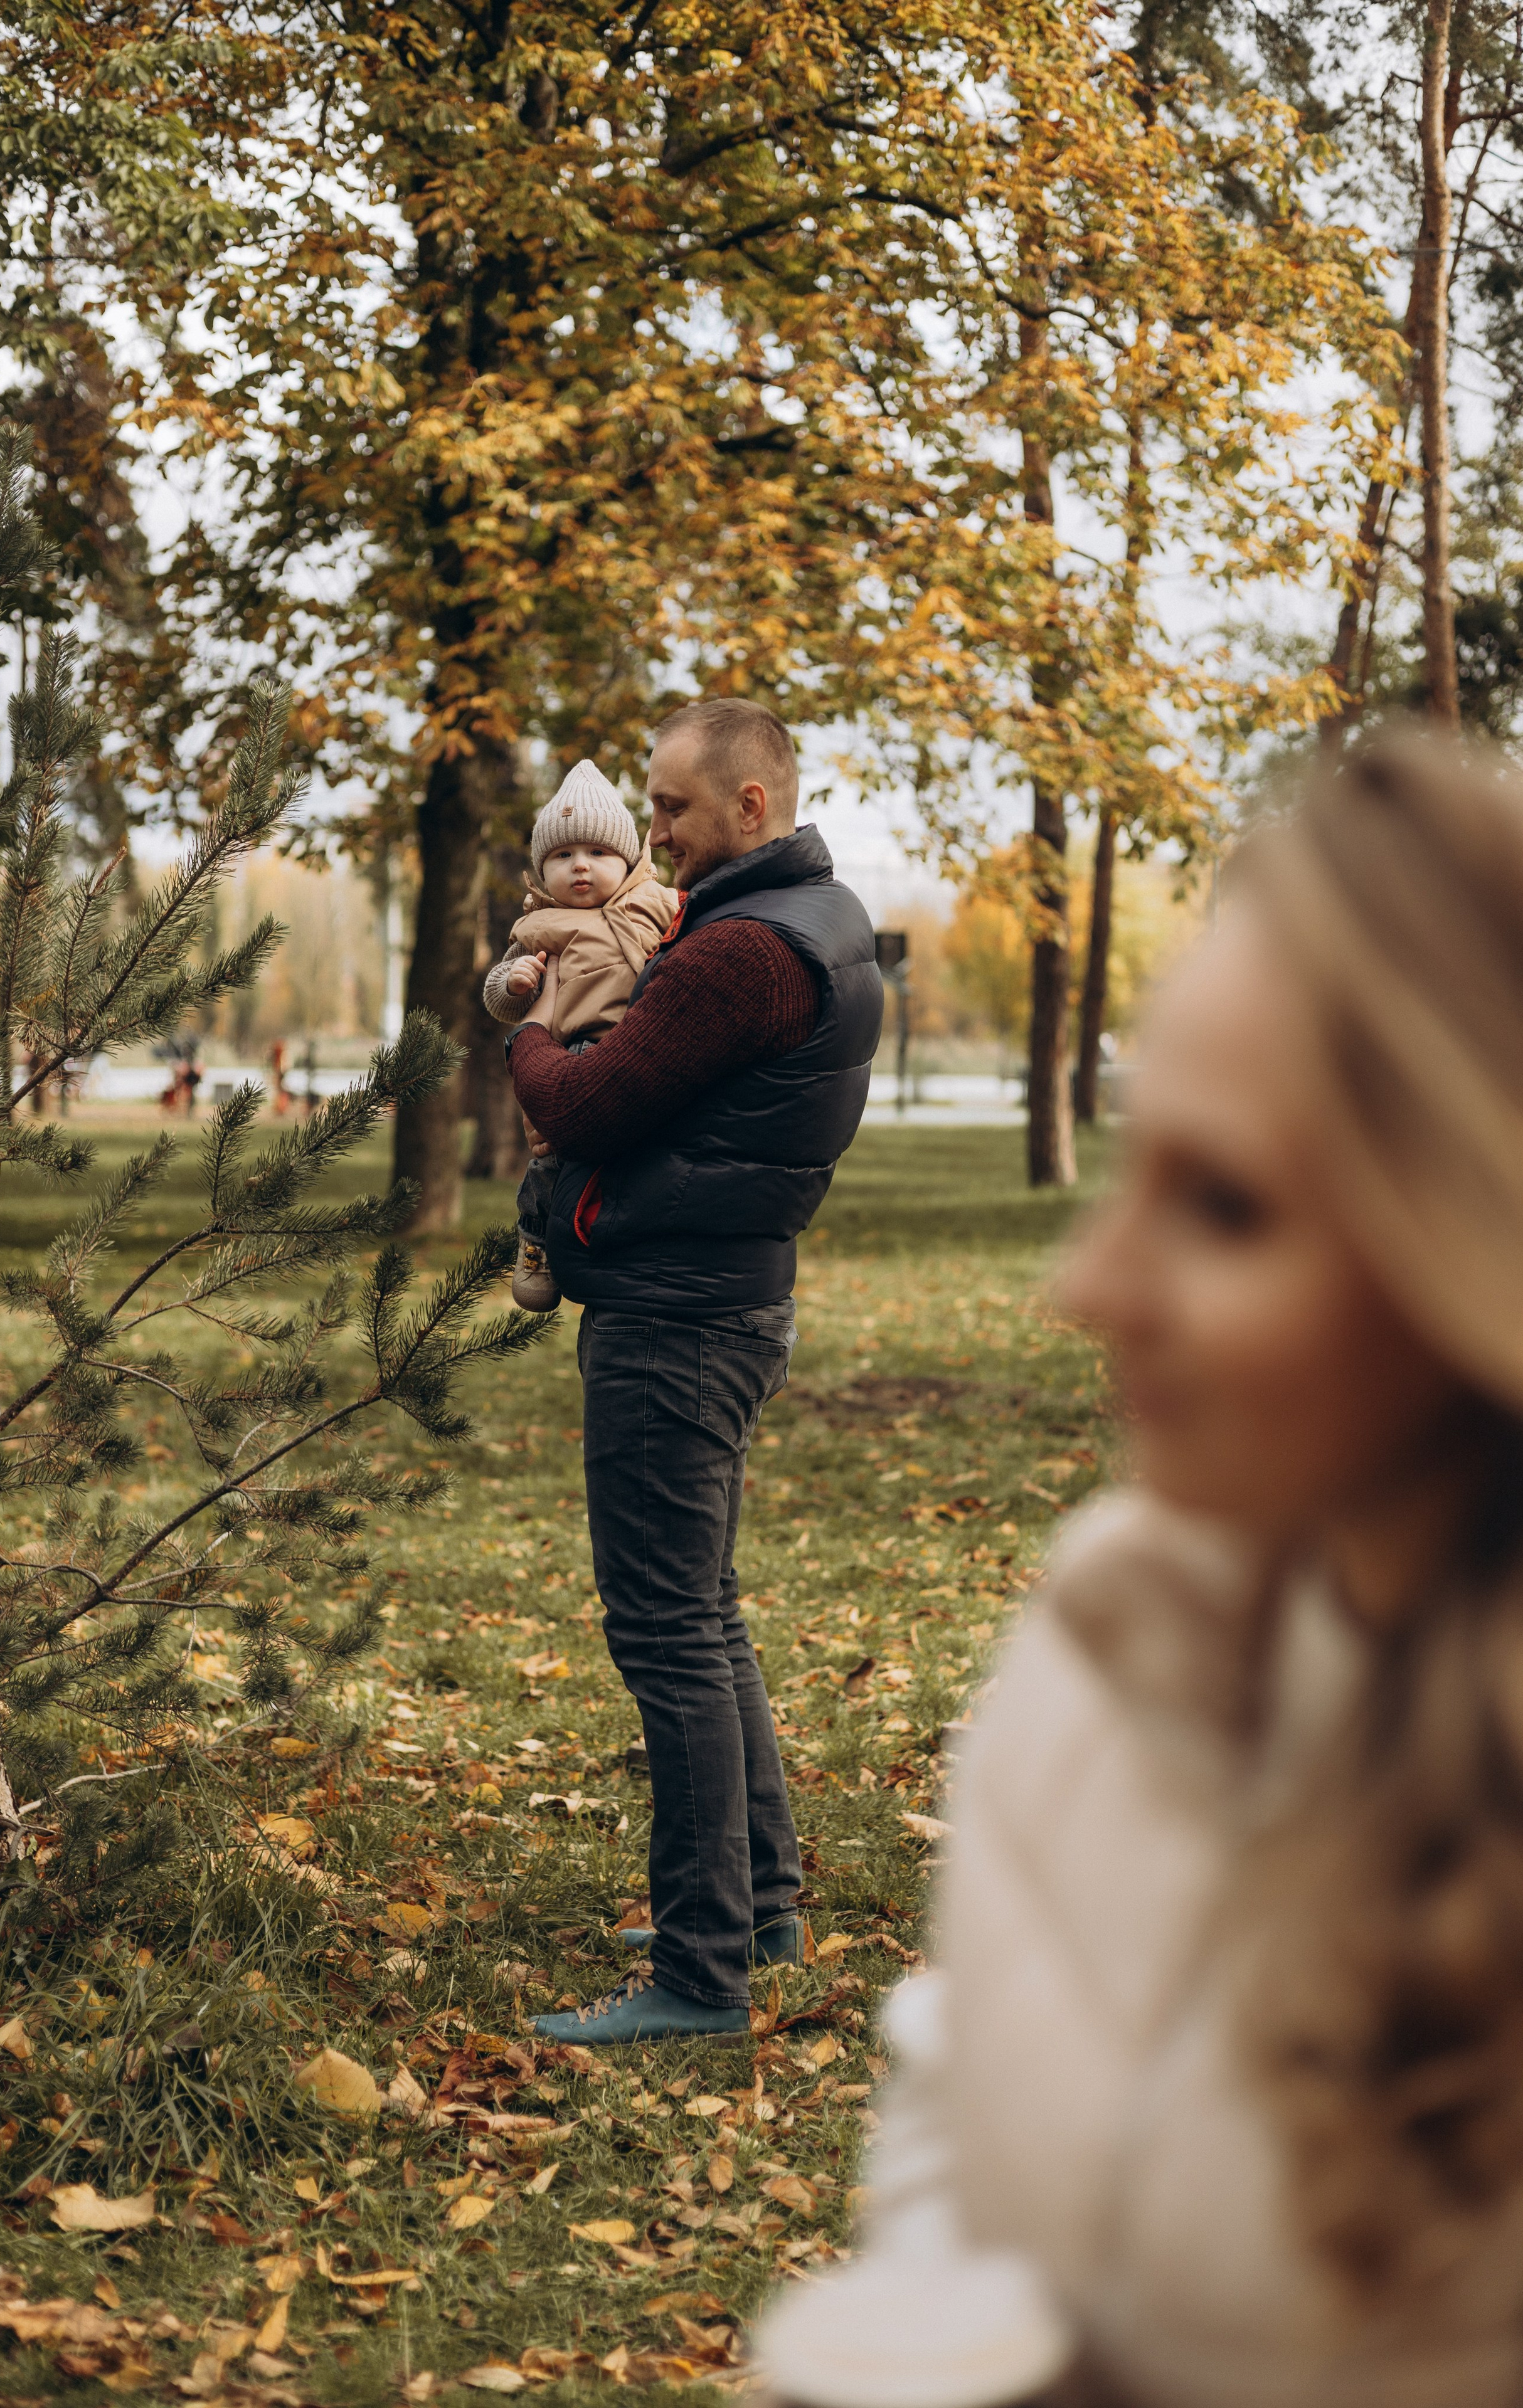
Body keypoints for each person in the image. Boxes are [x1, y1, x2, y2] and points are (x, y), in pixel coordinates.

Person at [756, 729, 1523, 2408]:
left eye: (1229, 1207)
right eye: (1130, 1171)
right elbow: (963, 2091)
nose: (1088, 1287)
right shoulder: (1115, 1627)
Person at [506, 697, 883, 2045]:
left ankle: (698, 1970)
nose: (648, 830)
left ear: (748, 808)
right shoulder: (818, 921)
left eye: (667, 808)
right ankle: (758, 1903)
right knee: (702, 1611)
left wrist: (525, 1034)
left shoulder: (737, 952)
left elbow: (586, 1104)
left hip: (676, 1319)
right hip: (725, 1297)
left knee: (664, 1630)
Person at [480, 758, 681, 1309]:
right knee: (550, 1160)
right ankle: (537, 1239)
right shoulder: (540, 927)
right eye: (563, 856)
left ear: (632, 859)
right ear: (542, 872)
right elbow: (499, 999)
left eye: (598, 853)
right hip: (572, 1052)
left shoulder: (660, 906)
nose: (581, 867)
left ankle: (617, 1234)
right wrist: (515, 982)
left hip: (643, 1045)